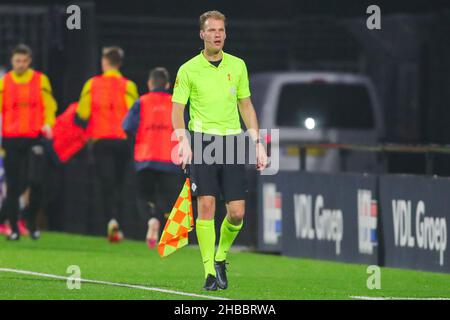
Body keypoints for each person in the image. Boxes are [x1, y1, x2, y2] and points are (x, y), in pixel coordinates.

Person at [172, 11, 268, 290]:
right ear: (201, 34)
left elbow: (246, 105)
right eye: (212, 30)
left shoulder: (238, 66)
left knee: (237, 213)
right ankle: (208, 273)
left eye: (221, 30)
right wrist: (183, 141)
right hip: (202, 141)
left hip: (232, 142)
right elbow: (177, 109)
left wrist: (258, 144)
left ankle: (220, 257)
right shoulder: (188, 69)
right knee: (206, 205)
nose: (217, 34)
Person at [74, 46, 138, 242]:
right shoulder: (129, 86)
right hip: (122, 142)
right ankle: (120, 223)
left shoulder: (92, 84)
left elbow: (81, 115)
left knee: (105, 185)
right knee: (120, 184)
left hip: (101, 140)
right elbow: (134, 116)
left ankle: (109, 221)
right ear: (119, 63)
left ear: (104, 62)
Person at [0, 44, 57, 240]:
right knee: (14, 184)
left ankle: (30, 219)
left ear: (29, 60)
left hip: (34, 138)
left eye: (24, 61)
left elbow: (49, 105)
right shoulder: (4, 83)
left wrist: (49, 124)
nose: (21, 64)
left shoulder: (40, 80)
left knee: (36, 182)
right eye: (17, 61)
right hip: (11, 139)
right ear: (12, 61)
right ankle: (14, 227)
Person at [122, 67, 183, 248]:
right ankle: (158, 217)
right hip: (170, 159)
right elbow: (186, 127)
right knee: (167, 199)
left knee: (142, 196)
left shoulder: (141, 102)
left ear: (149, 84)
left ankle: (150, 219)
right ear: (167, 85)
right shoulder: (176, 103)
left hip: (145, 158)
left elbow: (127, 126)